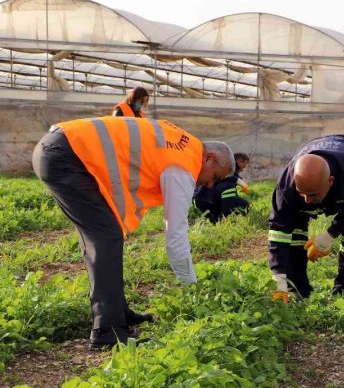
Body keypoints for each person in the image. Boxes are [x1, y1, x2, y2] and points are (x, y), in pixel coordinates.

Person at [32, 116, 235, 348]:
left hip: (60, 147)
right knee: (106, 236)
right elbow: (176, 234)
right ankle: (107, 331)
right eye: (215, 177)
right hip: (66, 156)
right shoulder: (183, 163)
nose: (210, 185)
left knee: (107, 234)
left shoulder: (182, 144)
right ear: (209, 158)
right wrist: (192, 287)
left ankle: (117, 312)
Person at [268, 135, 344, 300]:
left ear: (330, 181)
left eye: (312, 194)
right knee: (294, 232)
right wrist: (279, 279)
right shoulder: (286, 186)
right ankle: (296, 289)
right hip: (318, 154)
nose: (307, 200)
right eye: (301, 193)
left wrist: (328, 235)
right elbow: (279, 232)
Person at [194, 152, 251, 223]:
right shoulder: (223, 167)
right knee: (228, 186)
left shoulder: (232, 174)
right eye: (243, 166)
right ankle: (226, 218)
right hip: (206, 200)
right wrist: (239, 181)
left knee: (245, 205)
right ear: (239, 162)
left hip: (214, 201)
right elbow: (223, 177)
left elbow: (231, 197)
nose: (242, 170)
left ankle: (223, 221)